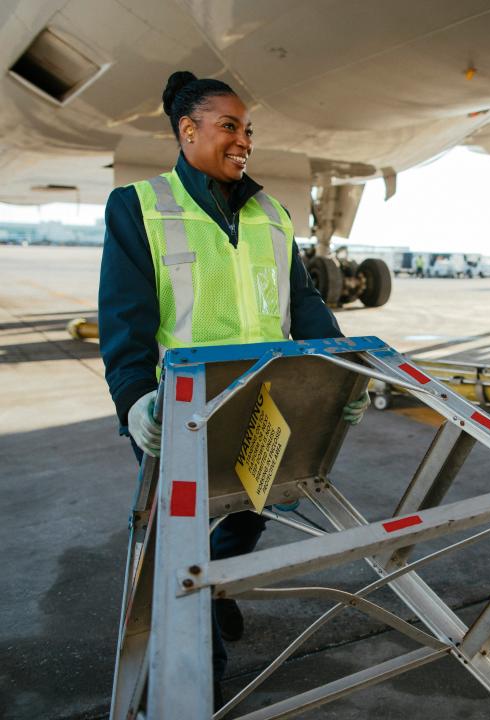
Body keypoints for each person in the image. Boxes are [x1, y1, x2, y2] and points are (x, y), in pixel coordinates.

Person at [97, 70, 370, 696]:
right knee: (184, 550)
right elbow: (124, 320)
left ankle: (220, 586)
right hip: (182, 415)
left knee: (252, 514)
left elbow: (305, 307)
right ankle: (203, 678)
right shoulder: (140, 207)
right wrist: (135, 401)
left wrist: (342, 375)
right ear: (187, 130)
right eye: (229, 126)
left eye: (247, 130)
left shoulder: (273, 213)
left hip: (267, 404)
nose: (243, 139)